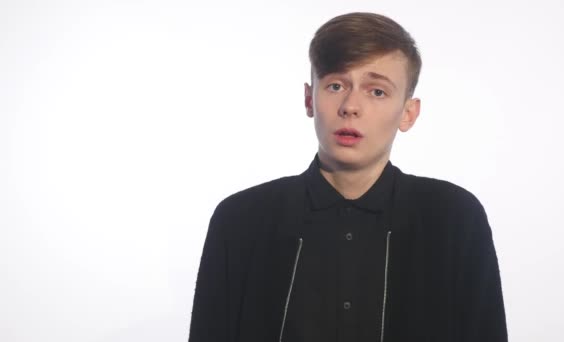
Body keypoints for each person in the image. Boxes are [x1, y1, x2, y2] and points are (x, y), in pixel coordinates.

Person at [188, 12, 508, 342]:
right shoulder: (242, 219)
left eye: (377, 91)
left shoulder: (453, 218)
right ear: (309, 98)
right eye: (336, 85)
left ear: (408, 113)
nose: (351, 106)